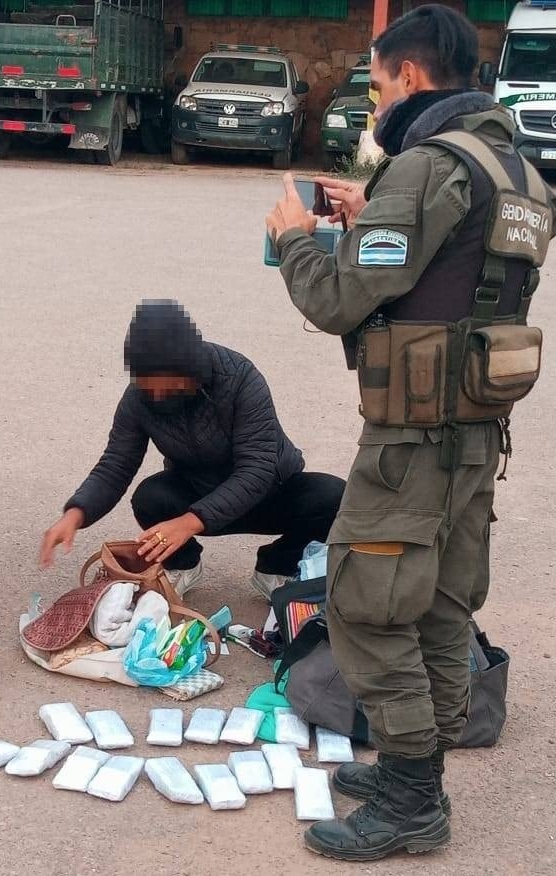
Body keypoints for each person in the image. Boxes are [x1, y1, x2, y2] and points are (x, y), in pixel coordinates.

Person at [266, 5, 553, 861]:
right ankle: (409, 766)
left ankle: (414, 798)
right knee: (436, 603)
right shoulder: (519, 172)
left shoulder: (427, 167)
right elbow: (464, 276)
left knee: (364, 607)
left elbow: (339, 299)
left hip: (412, 444)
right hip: (476, 433)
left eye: (379, 80)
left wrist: (295, 243)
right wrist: (376, 207)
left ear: (413, 77)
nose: (375, 96)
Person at [40, 299, 345, 596]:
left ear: (189, 366)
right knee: (150, 498)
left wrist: (188, 523)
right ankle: (184, 566)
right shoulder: (139, 398)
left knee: (335, 498)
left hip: (268, 493)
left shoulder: (240, 378)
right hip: (198, 491)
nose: (156, 393)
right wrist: (76, 513)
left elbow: (258, 469)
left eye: (165, 382)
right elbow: (116, 464)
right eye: (147, 383)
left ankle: (276, 568)